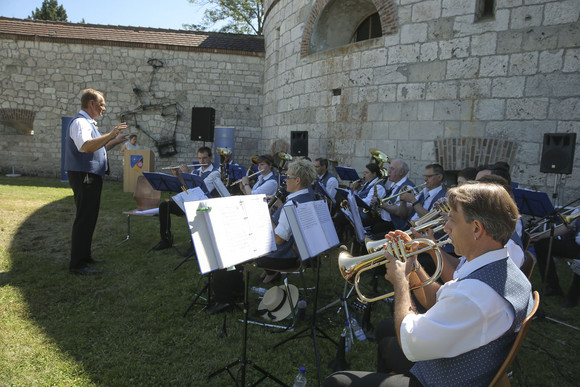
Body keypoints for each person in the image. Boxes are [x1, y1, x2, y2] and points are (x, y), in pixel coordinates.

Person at [324, 182, 534, 387]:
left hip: (440, 377)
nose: (446, 227)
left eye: (452, 219)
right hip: (459, 361)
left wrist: (400, 283)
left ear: (477, 228)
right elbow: (438, 299)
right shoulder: (500, 269)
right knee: (383, 331)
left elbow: (410, 341)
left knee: (336, 381)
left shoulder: (475, 294)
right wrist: (413, 267)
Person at [64, 88, 128, 275]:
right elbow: (85, 146)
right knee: (84, 218)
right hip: (85, 176)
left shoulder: (87, 123)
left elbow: (97, 147)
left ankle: (85, 256)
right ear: (91, 103)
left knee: (90, 217)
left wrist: (114, 141)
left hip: (90, 176)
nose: (104, 108)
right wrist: (111, 134)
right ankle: (77, 264)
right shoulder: (80, 123)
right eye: (102, 104)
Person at [255, 158, 317, 283]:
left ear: (297, 180)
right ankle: (270, 274)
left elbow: (279, 240)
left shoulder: (291, 205)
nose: (285, 179)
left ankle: (234, 288)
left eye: (288, 176)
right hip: (295, 253)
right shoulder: (309, 197)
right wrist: (280, 206)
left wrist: (266, 216)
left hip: (281, 257)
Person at [151, 146, 220, 251]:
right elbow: (187, 190)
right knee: (165, 206)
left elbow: (200, 191)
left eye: (204, 158)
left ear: (210, 157)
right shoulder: (195, 172)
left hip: (205, 206)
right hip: (192, 203)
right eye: (199, 158)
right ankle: (166, 239)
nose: (201, 161)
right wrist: (178, 175)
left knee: (195, 211)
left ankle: (195, 246)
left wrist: (187, 174)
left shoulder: (215, 173)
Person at [531, 209, 580, 308]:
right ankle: (553, 286)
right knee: (542, 244)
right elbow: (565, 227)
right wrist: (541, 235)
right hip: (576, 246)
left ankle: (572, 297)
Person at [372, 159, 415, 237]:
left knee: (374, 232)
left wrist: (381, 204)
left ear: (401, 172)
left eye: (392, 169)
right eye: (389, 169)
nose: (389, 172)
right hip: (385, 221)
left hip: (396, 225)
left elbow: (400, 211)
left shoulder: (407, 187)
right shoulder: (394, 184)